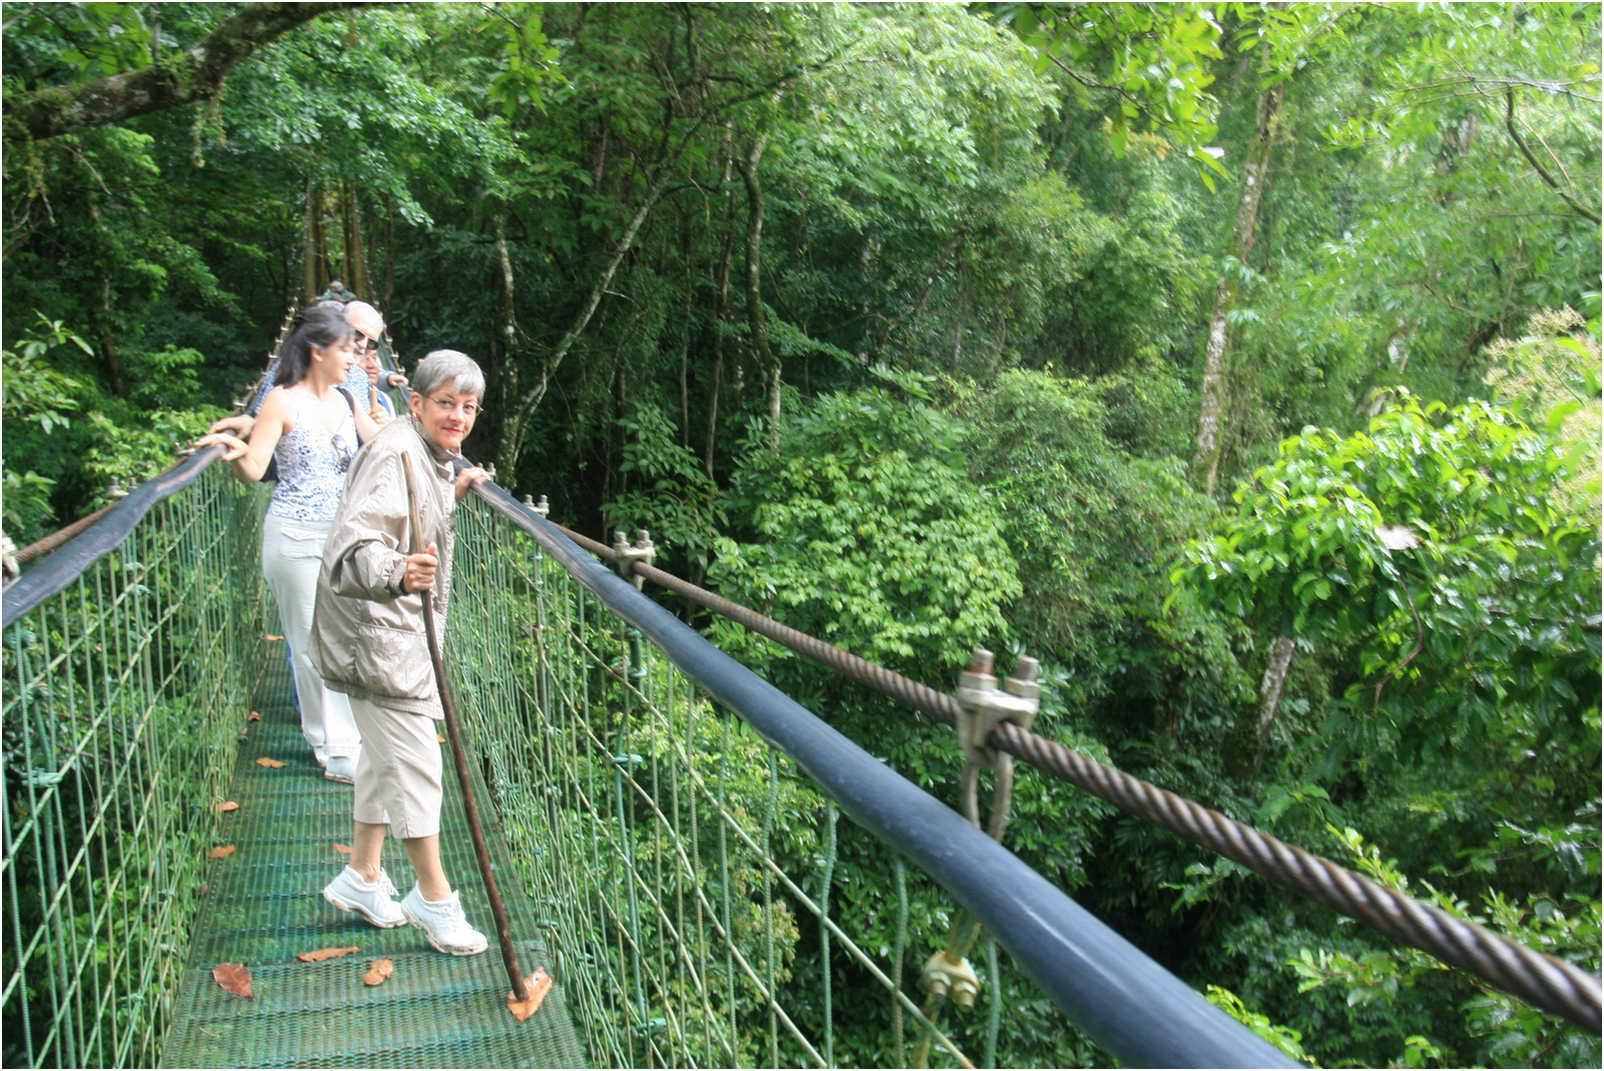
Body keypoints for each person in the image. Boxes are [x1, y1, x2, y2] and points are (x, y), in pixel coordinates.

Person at [311, 350, 492, 955]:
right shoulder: (393, 450)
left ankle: (362, 876)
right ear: (414, 402)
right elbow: (350, 547)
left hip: (389, 632)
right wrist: (395, 572)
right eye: (446, 403)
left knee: (381, 754)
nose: (458, 417)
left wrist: (453, 491)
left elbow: (412, 514)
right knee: (416, 763)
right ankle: (434, 898)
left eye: (468, 407)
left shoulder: (424, 452)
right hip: (376, 635)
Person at [192, 305, 381, 783]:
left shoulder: (344, 400)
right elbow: (256, 469)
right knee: (308, 647)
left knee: (344, 640)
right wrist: (234, 453)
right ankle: (334, 749)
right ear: (318, 352)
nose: (353, 358)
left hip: (340, 540)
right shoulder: (281, 400)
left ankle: (346, 741)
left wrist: (443, 452)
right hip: (294, 538)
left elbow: (383, 446)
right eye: (346, 349)